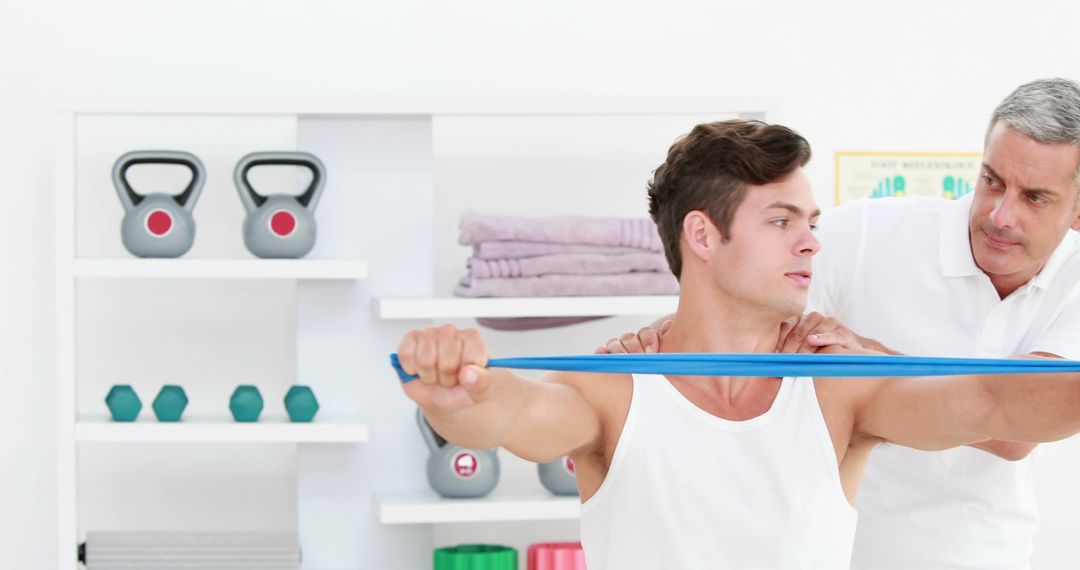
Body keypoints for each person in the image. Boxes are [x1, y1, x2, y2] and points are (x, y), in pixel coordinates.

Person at [395, 119, 1080, 569]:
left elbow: (998, 405)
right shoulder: (615, 386)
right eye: (782, 221)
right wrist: (456, 388)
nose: (813, 241)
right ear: (701, 236)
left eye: (809, 221)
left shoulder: (836, 390)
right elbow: (509, 415)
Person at [606, 78, 1080, 570]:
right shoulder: (870, 234)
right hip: (841, 553)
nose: (1001, 215)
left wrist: (873, 362)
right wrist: (656, 342)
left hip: (987, 556)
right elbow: (738, 301)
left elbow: (1020, 421)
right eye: (992, 181)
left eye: (1036, 198)